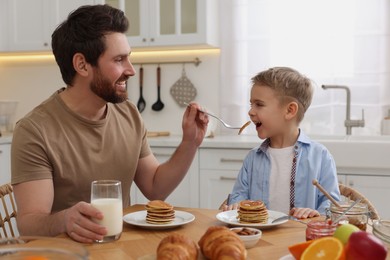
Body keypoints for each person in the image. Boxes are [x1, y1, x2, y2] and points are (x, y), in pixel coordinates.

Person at [11, 4, 208, 243]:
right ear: (82, 65)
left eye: (129, 58)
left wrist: (190, 143)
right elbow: (29, 223)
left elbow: (156, 188)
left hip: (118, 247)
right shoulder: (34, 130)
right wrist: (65, 220)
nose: (131, 70)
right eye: (119, 59)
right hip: (64, 253)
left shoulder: (128, 114)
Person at [221, 67, 340, 219]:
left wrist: (316, 214)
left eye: (259, 104)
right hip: (262, 240)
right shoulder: (252, 159)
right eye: (251, 104)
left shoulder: (320, 156)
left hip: (302, 239)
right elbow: (239, 197)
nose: (250, 112)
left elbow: (332, 207)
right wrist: (235, 206)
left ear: (290, 110)